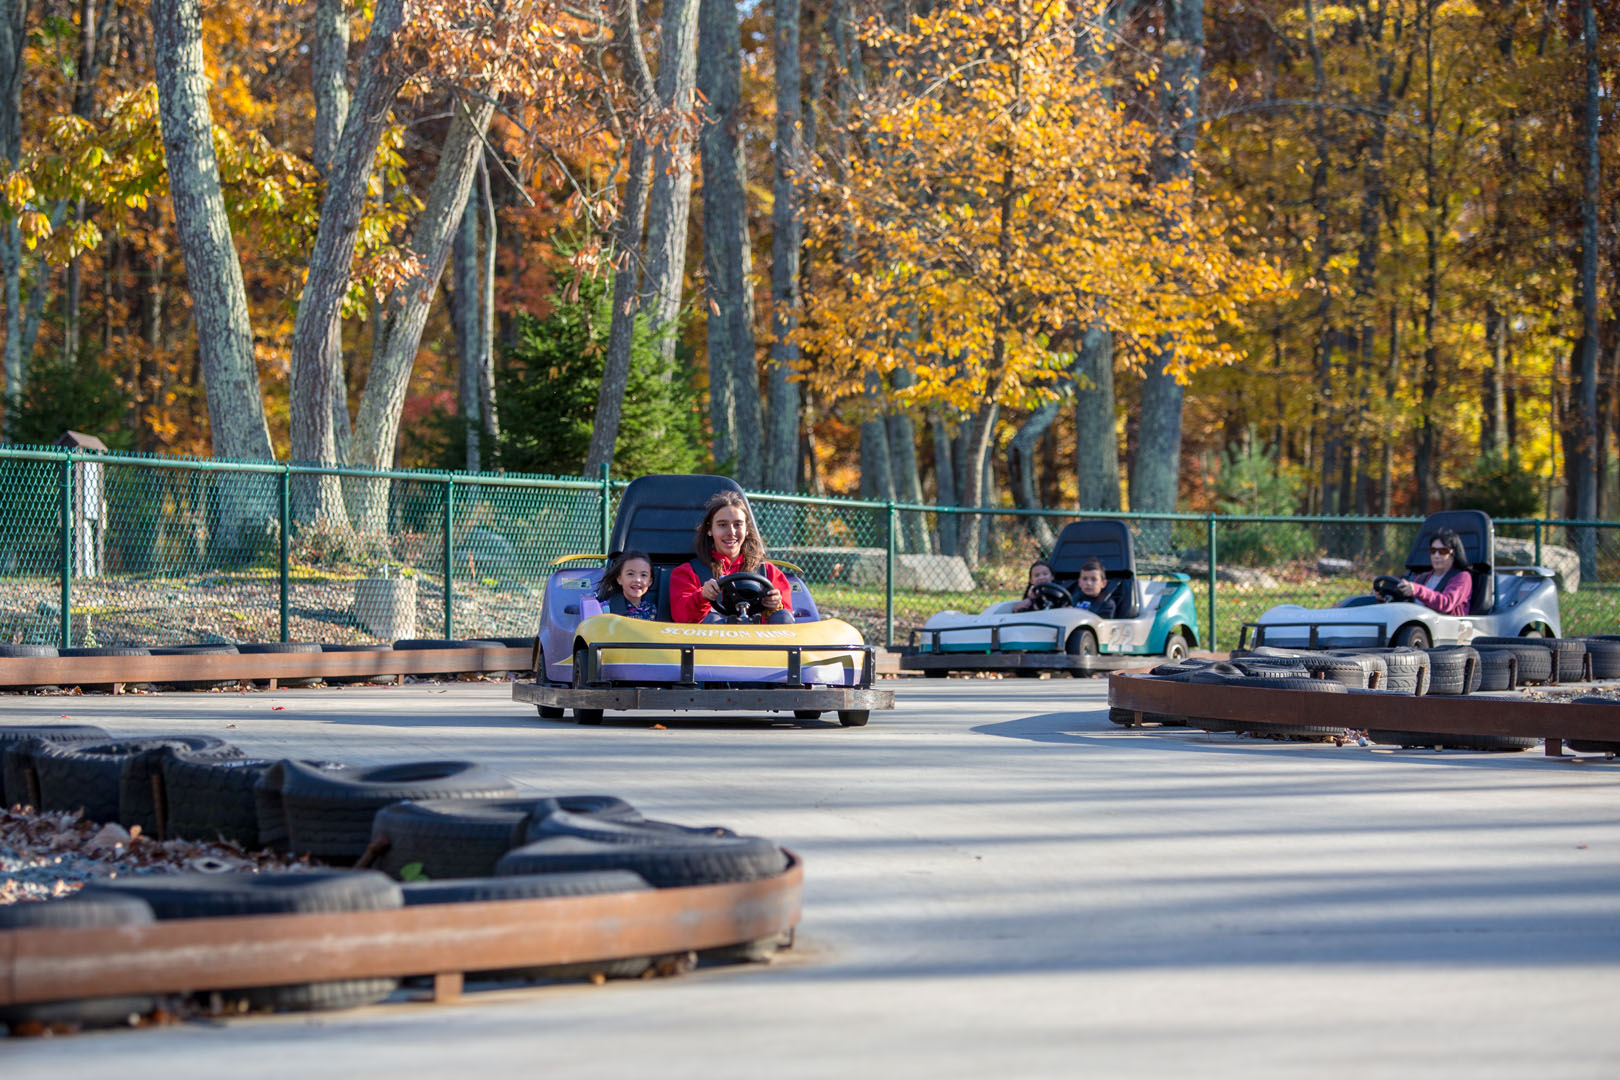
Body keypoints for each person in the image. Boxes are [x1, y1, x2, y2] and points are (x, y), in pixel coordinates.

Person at [669, 491, 795, 624]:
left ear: (747, 530)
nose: (731, 532)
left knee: (783, 616)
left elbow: (786, 617)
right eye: (722, 525)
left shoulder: (768, 572)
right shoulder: (688, 573)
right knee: (713, 620)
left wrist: (775, 605)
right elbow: (681, 617)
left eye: (738, 524)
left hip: (759, 642)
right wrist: (702, 597)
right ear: (710, 530)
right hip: (714, 642)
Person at [1382, 527, 1472, 615]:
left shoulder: (1462, 577)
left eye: (1443, 551)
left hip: (1448, 627)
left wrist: (1417, 590)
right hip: (1418, 624)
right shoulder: (1422, 578)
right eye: (1433, 551)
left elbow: (1446, 603)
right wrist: (1384, 596)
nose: (1436, 555)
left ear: (1453, 553)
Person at [597, 549, 657, 620]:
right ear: (619, 579)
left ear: (650, 581)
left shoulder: (652, 609)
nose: (637, 580)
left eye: (643, 575)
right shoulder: (604, 609)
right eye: (630, 574)